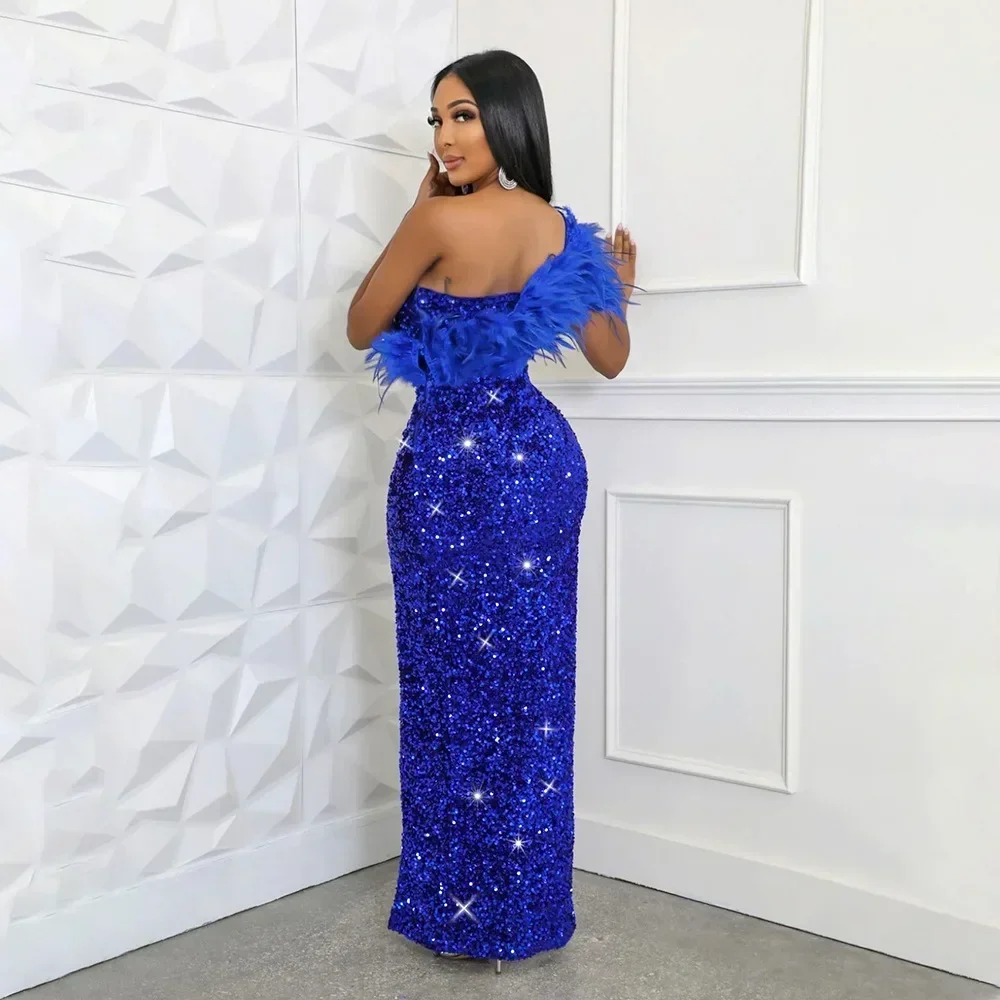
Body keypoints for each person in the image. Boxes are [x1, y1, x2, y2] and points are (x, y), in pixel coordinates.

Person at [346, 49, 637, 975]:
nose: (445, 136)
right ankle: (525, 909)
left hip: (447, 471)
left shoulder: (435, 219)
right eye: (437, 119)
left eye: (463, 115)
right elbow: (612, 357)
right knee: (531, 693)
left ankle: (459, 913)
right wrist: (613, 285)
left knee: (446, 690)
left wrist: (415, 213)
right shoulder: (555, 227)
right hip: (538, 466)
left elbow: (361, 325)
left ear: (508, 119)